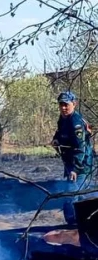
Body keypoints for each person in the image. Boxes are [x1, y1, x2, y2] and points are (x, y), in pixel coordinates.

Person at [51, 91, 93, 223]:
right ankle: (80, 225)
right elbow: (59, 133)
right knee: (78, 195)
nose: (63, 107)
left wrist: (75, 169)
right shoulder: (63, 119)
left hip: (81, 165)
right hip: (70, 163)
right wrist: (56, 140)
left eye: (66, 104)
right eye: (61, 104)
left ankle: (73, 225)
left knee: (71, 196)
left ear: (74, 104)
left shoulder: (75, 122)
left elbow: (81, 148)